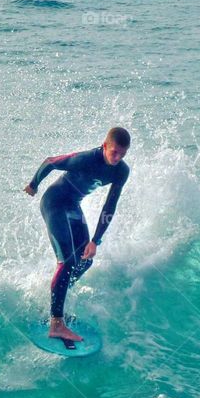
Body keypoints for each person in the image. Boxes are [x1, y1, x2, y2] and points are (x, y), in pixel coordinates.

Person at [23, 127, 131, 342]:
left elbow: (110, 206)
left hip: (72, 206)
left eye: (122, 154)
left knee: (85, 260)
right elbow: (51, 162)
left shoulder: (121, 171)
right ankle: (56, 324)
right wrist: (34, 184)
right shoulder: (86, 159)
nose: (117, 158)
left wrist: (95, 241)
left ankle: (57, 302)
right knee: (67, 261)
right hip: (55, 203)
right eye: (114, 152)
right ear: (105, 146)